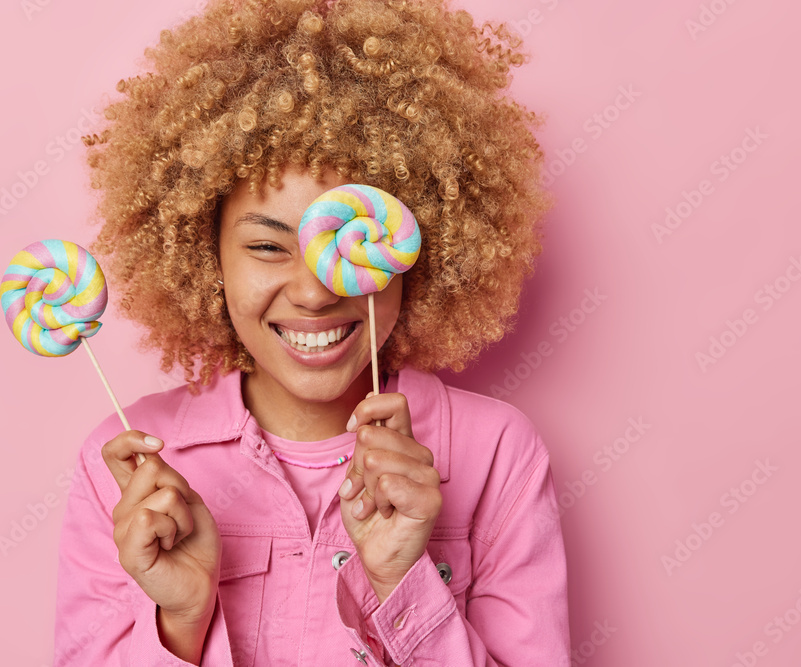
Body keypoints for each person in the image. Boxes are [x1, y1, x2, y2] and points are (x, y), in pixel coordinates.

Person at [54, 0, 570, 665]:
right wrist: (182, 618)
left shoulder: (498, 454)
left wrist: (400, 582)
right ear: (203, 254)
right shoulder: (127, 471)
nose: (315, 290)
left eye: (353, 241)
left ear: (421, 245)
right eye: (268, 247)